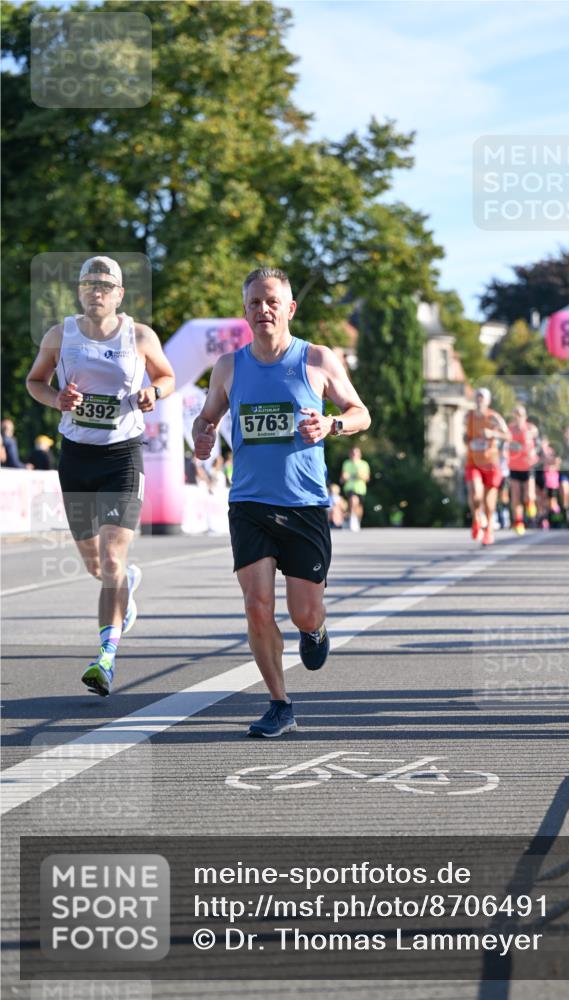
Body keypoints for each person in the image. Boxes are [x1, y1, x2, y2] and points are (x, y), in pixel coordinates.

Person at [193, 267, 371, 738]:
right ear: (246, 310)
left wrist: (332, 425)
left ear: (290, 308)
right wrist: (202, 433)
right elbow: (208, 416)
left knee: (303, 612)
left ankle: (314, 631)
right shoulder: (230, 367)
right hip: (248, 501)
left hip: (304, 504)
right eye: (254, 302)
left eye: (272, 301)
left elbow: (361, 413)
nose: (263, 309)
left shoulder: (316, 359)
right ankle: (279, 703)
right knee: (256, 606)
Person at [26, 256, 175, 696]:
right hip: (76, 458)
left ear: (120, 294)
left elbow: (166, 376)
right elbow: (35, 382)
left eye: (105, 285)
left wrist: (153, 392)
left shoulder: (139, 336)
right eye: (90, 283)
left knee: (111, 560)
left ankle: (105, 658)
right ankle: (127, 583)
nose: (97, 291)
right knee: (96, 565)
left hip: (122, 457)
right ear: (79, 290)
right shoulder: (60, 335)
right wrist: (57, 399)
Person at [464, 387, 510, 546]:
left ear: (488, 401)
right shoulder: (468, 417)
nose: (479, 400)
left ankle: (489, 530)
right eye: (477, 397)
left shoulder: (493, 417)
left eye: (482, 398)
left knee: (490, 503)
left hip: (491, 463)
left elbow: (508, 435)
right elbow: (465, 437)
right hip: (473, 462)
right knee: (476, 494)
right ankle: (476, 518)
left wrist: (493, 434)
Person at [507, 403, 538, 535]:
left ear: (525, 416)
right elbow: (506, 440)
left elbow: (535, 434)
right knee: (516, 497)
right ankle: (518, 522)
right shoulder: (510, 429)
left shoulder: (530, 428)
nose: (518, 417)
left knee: (528, 495)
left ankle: (530, 504)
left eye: (521, 414)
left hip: (527, 466)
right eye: (516, 414)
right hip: (514, 466)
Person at [340, 445, 371, 531]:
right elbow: (343, 477)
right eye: (353, 453)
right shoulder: (347, 463)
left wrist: (360, 475)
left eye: (356, 453)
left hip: (361, 488)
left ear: (360, 454)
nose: (354, 455)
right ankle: (352, 520)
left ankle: (358, 520)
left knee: (359, 506)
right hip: (349, 487)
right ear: (350, 454)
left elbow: (367, 478)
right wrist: (345, 477)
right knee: (353, 500)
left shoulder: (364, 464)